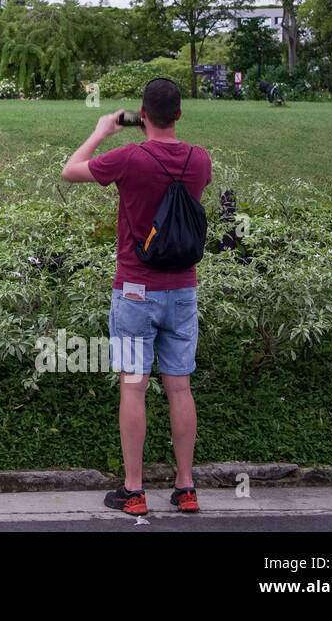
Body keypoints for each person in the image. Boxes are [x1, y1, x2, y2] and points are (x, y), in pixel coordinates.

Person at [61, 78, 212, 516]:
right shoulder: (200, 160)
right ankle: (186, 487)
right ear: (180, 115)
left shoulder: (130, 157)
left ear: (141, 115)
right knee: (180, 386)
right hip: (183, 290)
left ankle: (133, 490)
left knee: (134, 385)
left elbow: (70, 170)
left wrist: (102, 131)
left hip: (135, 291)